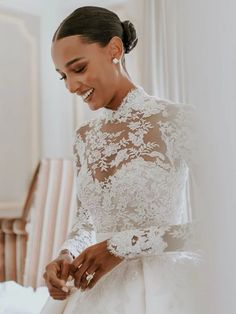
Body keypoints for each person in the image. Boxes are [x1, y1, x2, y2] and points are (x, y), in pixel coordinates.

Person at [41, 5, 201, 314]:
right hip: (94, 293)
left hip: (161, 291)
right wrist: (66, 254)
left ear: (114, 49)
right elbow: (86, 218)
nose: (72, 87)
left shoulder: (178, 120)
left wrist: (122, 246)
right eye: (63, 77)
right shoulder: (84, 136)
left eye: (78, 68)